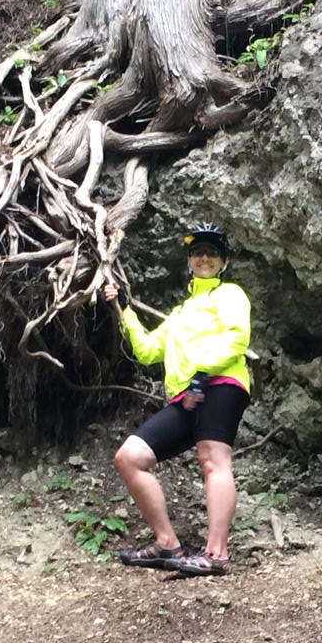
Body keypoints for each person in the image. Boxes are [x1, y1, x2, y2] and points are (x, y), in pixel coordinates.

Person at [104, 222, 251, 577]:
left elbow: (238, 338)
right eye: (198, 253)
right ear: (189, 261)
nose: (204, 258)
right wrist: (125, 311)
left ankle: (216, 554)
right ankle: (167, 542)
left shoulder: (229, 294)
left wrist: (203, 371)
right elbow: (148, 351)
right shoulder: (181, 313)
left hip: (221, 384)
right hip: (187, 396)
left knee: (213, 459)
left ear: (223, 262)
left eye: (212, 253)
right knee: (130, 457)